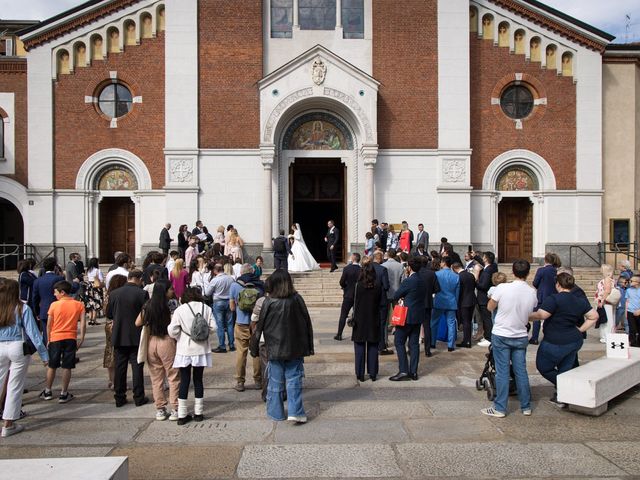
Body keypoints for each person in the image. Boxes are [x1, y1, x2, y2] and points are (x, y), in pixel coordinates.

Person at [250, 269, 314, 423]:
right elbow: (307, 322)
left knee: (275, 382)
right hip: (295, 347)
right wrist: (309, 345)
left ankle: (276, 412)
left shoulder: (268, 301)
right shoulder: (297, 299)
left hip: (274, 347)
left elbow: (260, 326)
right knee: (294, 380)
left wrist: (254, 347)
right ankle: (295, 412)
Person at [530, 272, 598, 408]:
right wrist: (580, 329)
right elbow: (594, 316)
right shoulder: (579, 300)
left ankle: (568, 389)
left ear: (558, 285)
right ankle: (563, 395)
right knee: (565, 369)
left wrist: (524, 316)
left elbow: (541, 315)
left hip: (555, 341)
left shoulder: (554, 299)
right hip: (574, 340)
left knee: (544, 367)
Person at [481, 259, 537, 418]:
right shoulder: (531, 292)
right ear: (528, 273)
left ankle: (500, 408)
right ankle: (526, 406)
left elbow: (490, 306)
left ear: (513, 272)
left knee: (502, 372)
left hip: (502, 334)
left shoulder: (503, 288)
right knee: (521, 371)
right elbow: (530, 311)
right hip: (520, 334)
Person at [0, 279, 49, 437]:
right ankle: (8, 424)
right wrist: (44, 355)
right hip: (17, 346)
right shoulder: (22, 308)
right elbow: (34, 334)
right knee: (15, 386)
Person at [169, 287, 216, 425]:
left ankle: (182, 414)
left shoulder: (180, 310)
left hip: (184, 349)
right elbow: (214, 327)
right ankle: (199, 413)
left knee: (184, 380)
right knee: (198, 380)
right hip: (201, 349)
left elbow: (172, 330)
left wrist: (181, 335)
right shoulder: (206, 308)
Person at [136, 281, 180, 421]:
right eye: (171, 289)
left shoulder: (148, 305)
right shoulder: (171, 305)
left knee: (156, 379)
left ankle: (160, 409)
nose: (173, 291)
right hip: (166, 341)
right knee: (173, 376)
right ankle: (175, 408)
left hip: (151, 342)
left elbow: (137, 322)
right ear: (164, 291)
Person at [107, 270, 149, 407]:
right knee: (137, 367)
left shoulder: (114, 294)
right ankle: (139, 396)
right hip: (136, 334)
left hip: (119, 334)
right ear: (138, 279)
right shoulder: (142, 293)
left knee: (120, 367)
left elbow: (109, 314)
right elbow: (145, 314)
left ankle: (119, 396)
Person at [39, 281, 85, 404]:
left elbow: (49, 324)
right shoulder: (79, 304)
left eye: (56, 292)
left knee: (52, 365)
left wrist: (48, 339)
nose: (55, 295)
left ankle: (48, 390)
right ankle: (64, 393)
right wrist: (81, 338)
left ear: (62, 292)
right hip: (70, 337)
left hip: (55, 337)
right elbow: (83, 323)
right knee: (67, 366)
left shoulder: (54, 305)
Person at [390, 257, 426, 381]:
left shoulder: (409, 281)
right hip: (418, 315)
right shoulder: (422, 280)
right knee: (414, 344)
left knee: (399, 342)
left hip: (406, 316)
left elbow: (396, 295)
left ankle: (404, 370)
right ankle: (413, 371)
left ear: (409, 268)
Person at [230, 264, 262, 392]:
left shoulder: (234, 285)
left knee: (241, 353)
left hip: (241, 323)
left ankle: (240, 381)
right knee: (256, 352)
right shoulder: (259, 285)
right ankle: (258, 380)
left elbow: (232, 307)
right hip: (256, 324)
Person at [351, 263, 382, 381]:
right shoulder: (377, 286)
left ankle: (360, 373)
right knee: (373, 347)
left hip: (360, 319)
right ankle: (373, 373)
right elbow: (380, 303)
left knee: (359, 347)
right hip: (373, 318)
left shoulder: (358, 285)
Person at [33, 257, 66, 344]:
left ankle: (48, 352)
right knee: (59, 332)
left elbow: (35, 299)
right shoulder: (59, 278)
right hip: (59, 309)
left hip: (44, 310)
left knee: (46, 333)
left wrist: (37, 312)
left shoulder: (38, 281)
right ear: (55, 267)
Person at [430, 257, 460, 352]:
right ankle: (450, 345)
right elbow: (457, 292)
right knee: (451, 323)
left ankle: (432, 342)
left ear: (443, 263)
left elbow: (433, 288)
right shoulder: (456, 276)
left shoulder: (437, 274)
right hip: (451, 301)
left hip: (439, 300)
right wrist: (456, 302)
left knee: (434, 322)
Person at [530, 253, 560, 345]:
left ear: (545, 260)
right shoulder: (555, 271)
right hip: (553, 296)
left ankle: (534, 338)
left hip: (542, 297)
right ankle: (549, 336)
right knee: (550, 317)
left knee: (536, 318)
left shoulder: (541, 270)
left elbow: (535, 283)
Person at [104, 275, 127, 390]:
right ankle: (115, 380)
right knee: (116, 352)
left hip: (110, 324)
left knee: (110, 351)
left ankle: (111, 379)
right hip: (116, 324)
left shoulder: (108, 295)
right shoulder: (117, 295)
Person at [206, 264, 236, 353]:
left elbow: (207, 293)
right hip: (229, 301)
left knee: (220, 325)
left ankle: (222, 345)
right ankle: (231, 344)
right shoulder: (231, 279)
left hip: (218, 301)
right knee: (230, 324)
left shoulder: (215, 280)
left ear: (215, 270)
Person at [335, 253, 361, 341]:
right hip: (358, 295)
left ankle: (339, 334)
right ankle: (357, 334)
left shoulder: (347, 269)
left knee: (343, 314)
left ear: (353, 259)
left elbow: (341, 281)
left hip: (348, 294)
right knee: (357, 315)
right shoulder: (361, 269)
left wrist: (345, 286)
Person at [418, 256, 440, 357]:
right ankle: (427, 350)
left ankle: (413, 348)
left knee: (415, 327)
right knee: (427, 327)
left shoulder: (416, 273)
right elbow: (437, 289)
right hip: (427, 302)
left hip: (417, 303)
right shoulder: (431, 274)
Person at [476, 252, 498, 347]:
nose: (482, 259)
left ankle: (489, 338)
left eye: (483, 257)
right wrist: (475, 256)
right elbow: (483, 262)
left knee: (486, 318)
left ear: (486, 259)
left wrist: (476, 279)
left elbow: (483, 285)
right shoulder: (492, 266)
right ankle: (487, 335)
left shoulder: (488, 270)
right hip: (484, 298)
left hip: (484, 298)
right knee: (486, 318)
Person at [453, 261, 476, 348]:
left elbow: (459, 290)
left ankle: (467, 341)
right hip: (472, 300)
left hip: (464, 301)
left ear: (455, 269)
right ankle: (467, 340)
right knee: (468, 321)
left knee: (466, 322)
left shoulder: (459, 277)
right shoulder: (471, 275)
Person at [371, 251, 390, 353]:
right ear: (380, 258)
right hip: (381, 299)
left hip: (370, 300)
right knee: (382, 324)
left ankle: (372, 343)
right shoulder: (382, 269)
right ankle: (381, 345)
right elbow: (386, 286)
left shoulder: (367, 268)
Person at [595, 264, 616, 344]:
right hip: (605, 301)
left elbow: (607, 291)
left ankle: (606, 336)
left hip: (605, 302)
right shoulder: (609, 279)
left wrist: (602, 301)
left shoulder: (607, 279)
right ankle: (606, 336)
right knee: (606, 318)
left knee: (606, 319)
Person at [82, 257, 104, 326]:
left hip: (89, 288)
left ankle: (90, 319)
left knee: (90, 304)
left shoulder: (88, 270)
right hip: (96, 288)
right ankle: (94, 320)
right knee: (96, 303)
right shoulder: (98, 270)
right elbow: (101, 279)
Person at [625, 274, 640, 347]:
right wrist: (626, 312)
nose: (629, 282)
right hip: (630, 312)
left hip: (638, 312)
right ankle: (633, 343)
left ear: (637, 282)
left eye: (631, 281)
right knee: (632, 329)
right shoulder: (628, 290)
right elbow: (627, 301)